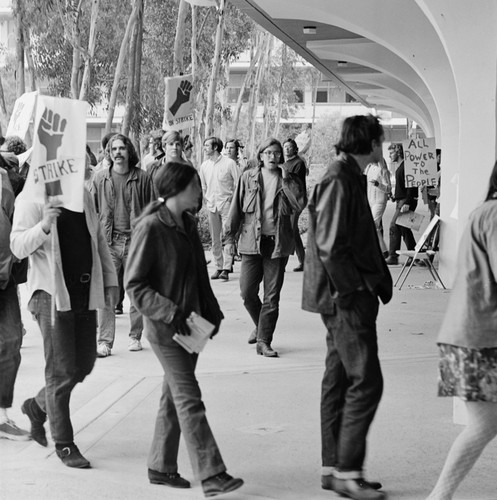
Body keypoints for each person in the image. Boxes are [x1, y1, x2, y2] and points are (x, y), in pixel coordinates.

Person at [125, 161, 244, 497]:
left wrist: (212, 312)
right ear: (176, 188)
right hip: (166, 330)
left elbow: (198, 274)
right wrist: (170, 312)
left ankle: (160, 466)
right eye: (194, 185)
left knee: (172, 397)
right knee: (189, 397)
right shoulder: (151, 226)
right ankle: (211, 474)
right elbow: (134, 285)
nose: (199, 190)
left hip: (192, 325)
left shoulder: (188, 223)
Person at [302, 114, 392, 500]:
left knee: (338, 381)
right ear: (368, 141)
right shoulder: (339, 178)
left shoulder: (348, 175)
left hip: (342, 295)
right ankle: (348, 472)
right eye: (380, 141)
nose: (382, 147)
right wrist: (353, 291)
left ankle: (334, 468)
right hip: (344, 298)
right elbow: (330, 245)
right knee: (367, 381)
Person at [10, 162, 118, 467]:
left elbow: (98, 243)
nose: (84, 165)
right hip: (50, 295)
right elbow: (17, 246)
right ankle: (65, 442)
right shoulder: (31, 199)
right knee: (61, 370)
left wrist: (110, 281)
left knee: (83, 364)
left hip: (83, 292)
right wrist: (44, 224)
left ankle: (37, 406)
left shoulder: (83, 196)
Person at [426, 160, 497, 500]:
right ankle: (439, 496)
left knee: (485, 425)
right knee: (484, 425)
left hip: (470, 336)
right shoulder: (494, 215)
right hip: (479, 340)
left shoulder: (483, 212)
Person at [224, 137, 305, 357]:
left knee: (272, 296)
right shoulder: (248, 177)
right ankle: (260, 325)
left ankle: (264, 340)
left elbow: (300, 203)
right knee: (247, 292)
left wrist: (288, 180)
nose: (273, 157)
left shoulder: (288, 178)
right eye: (268, 153)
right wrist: (229, 240)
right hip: (251, 242)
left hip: (278, 243)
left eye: (277, 153)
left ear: (281, 156)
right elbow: (236, 210)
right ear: (260, 155)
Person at [92, 133, 154, 356]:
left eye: (122, 148)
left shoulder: (143, 178)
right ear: (109, 153)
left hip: (136, 242)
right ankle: (105, 341)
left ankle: (135, 336)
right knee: (108, 293)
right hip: (108, 243)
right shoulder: (100, 178)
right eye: (114, 149)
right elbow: (92, 211)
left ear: (129, 152)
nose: (118, 152)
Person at [0, 166, 30, 441]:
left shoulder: (5, 179)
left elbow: (13, 222)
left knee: (11, 342)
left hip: (4, 276)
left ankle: (1, 416)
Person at [199, 137, 240, 282]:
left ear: (215, 147)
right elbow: (203, 186)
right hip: (212, 205)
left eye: (207, 145)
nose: (204, 148)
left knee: (228, 236)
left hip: (227, 204)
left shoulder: (229, 163)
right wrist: (206, 199)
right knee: (215, 238)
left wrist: (233, 199)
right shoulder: (204, 166)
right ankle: (219, 266)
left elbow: (239, 183)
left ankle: (227, 268)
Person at [385, 143, 418, 265]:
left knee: (394, 226)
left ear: (398, 152)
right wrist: (395, 196)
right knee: (404, 229)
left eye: (391, 153)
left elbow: (411, 185)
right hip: (401, 199)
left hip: (406, 200)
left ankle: (393, 256)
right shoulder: (401, 166)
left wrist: (408, 202)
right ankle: (415, 256)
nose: (390, 156)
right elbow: (403, 185)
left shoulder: (407, 166)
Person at [283, 138, 307, 272]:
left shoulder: (298, 163)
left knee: (289, 229)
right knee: (293, 231)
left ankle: (283, 261)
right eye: (285, 146)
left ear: (295, 149)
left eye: (289, 147)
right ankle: (303, 261)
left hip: (297, 200)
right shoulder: (285, 163)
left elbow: (293, 182)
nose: (286, 149)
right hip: (287, 200)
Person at [365, 158, 391, 257]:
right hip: (370, 200)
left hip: (380, 201)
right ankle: (383, 251)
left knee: (373, 225)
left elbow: (388, 188)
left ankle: (379, 251)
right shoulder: (369, 168)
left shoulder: (383, 171)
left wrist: (378, 184)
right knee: (376, 228)